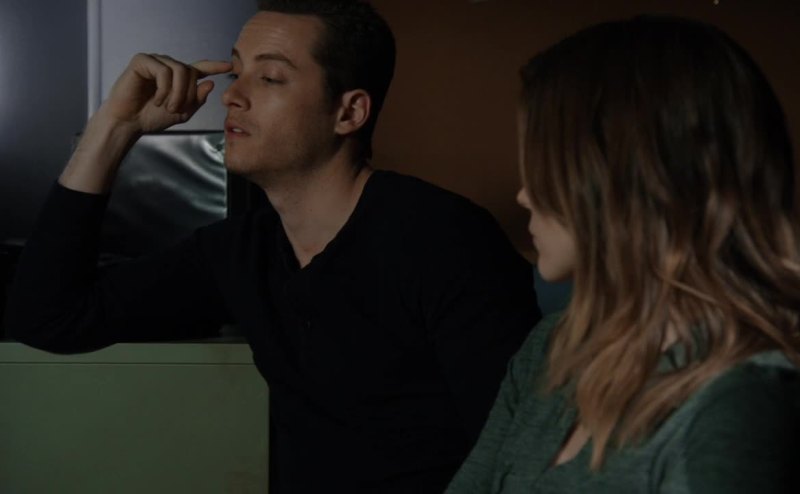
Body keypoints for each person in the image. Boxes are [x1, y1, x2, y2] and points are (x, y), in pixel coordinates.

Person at [3, 1, 541, 492]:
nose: (232, 96)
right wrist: (114, 128)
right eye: (235, 72)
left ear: (349, 113)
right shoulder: (242, 249)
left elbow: (519, 456)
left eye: (270, 78)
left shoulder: (443, 239)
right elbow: (49, 316)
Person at [445, 15, 800, 493]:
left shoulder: (740, 400)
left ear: (624, 177)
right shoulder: (550, 347)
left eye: (544, 165)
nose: (524, 195)